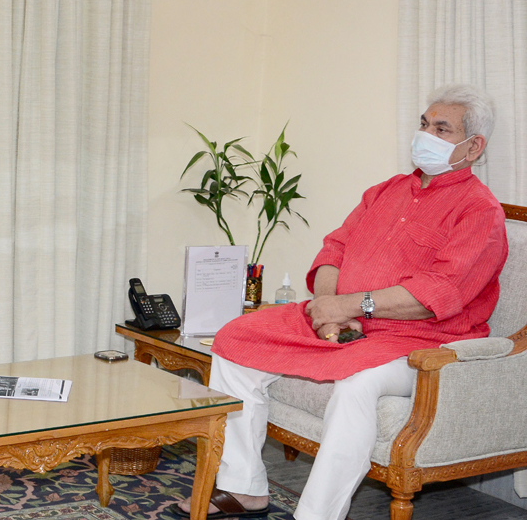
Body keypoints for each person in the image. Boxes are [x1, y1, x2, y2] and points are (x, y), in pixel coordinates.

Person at [171, 84, 508, 520]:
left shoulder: (480, 211)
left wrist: (349, 307)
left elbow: (435, 297)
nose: (426, 135)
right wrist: (328, 305)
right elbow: (334, 249)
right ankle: (243, 487)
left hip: (419, 340)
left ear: (474, 146)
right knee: (236, 338)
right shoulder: (385, 191)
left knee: (357, 386)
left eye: (442, 129)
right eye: (424, 124)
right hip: (344, 318)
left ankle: (317, 514)